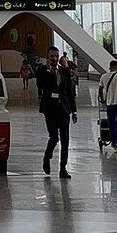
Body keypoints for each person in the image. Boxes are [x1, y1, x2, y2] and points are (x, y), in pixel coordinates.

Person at [34, 49, 70, 178]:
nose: (54, 58)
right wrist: (49, 72)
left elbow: (69, 91)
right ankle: (47, 157)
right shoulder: (42, 71)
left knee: (65, 140)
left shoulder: (64, 71)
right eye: (52, 56)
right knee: (54, 137)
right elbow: (41, 85)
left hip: (64, 109)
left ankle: (63, 168)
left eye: (56, 56)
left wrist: (74, 110)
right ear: (47, 57)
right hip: (50, 109)